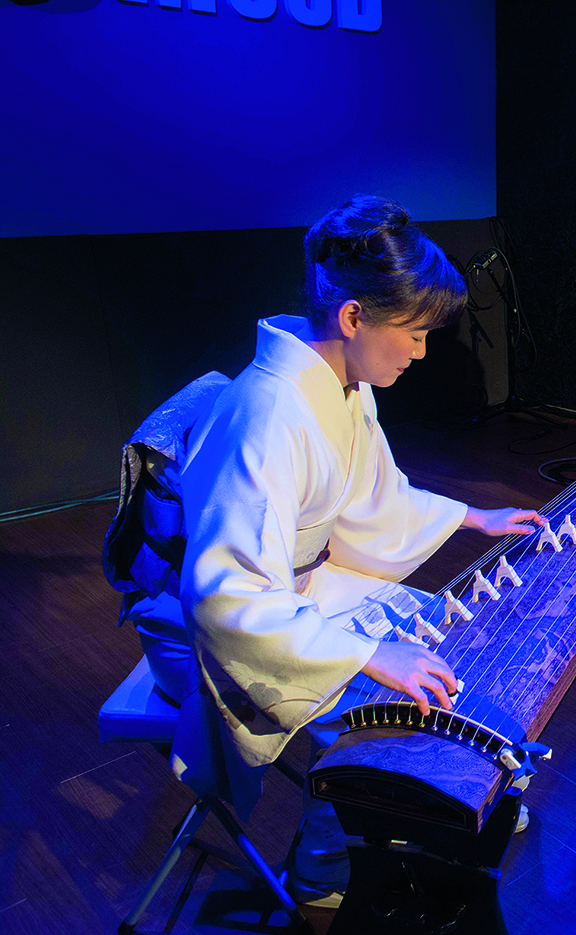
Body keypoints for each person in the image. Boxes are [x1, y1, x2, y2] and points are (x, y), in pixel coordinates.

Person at [124, 194, 545, 907]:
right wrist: (369, 654)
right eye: (414, 333)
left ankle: (450, 809)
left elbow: (376, 500)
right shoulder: (267, 413)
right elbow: (225, 594)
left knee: (453, 641)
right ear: (353, 318)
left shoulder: (343, 385)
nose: (420, 351)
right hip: (213, 624)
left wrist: (473, 517)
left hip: (295, 592)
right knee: (383, 708)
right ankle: (325, 874)